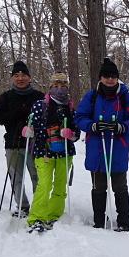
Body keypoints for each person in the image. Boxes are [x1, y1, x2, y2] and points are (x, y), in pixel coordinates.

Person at [75, 58, 129, 231]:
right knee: (98, 188)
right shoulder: (92, 96)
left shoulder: (125, 97)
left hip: (117, 149)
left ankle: (123, 223)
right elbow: (80, 118)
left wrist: (122, 127)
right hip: (97, 150)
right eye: (106, 76)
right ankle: (99, 221)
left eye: (113, 76)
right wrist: (93, 126)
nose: (110, 80)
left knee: (120, 187)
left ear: (117, 78)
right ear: (100, 78)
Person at [23, 73, 80, 232]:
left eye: (63, 87)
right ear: (50, 87)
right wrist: (28, 130)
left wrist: (72, 134)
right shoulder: (39, 105)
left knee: (60, 187)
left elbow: (77, 133)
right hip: (43, 151)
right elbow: (31, 124)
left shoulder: (70, 107)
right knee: (45, 185)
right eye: (56, 86)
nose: (59, 89)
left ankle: (53, 215)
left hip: (65, 152)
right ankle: (36, 217)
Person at [0, 61, 44, 216]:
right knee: (16, 178)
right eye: (16, 75)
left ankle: (38, 204)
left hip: (34, 145)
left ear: (29, 77)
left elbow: (46, 118)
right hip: (12, 144)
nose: (20, 78)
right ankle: (22, 206)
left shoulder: (38, 96)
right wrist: (14, 116)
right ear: (12, 78)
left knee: (37, 177)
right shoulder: (6, 97)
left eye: (23, 75)